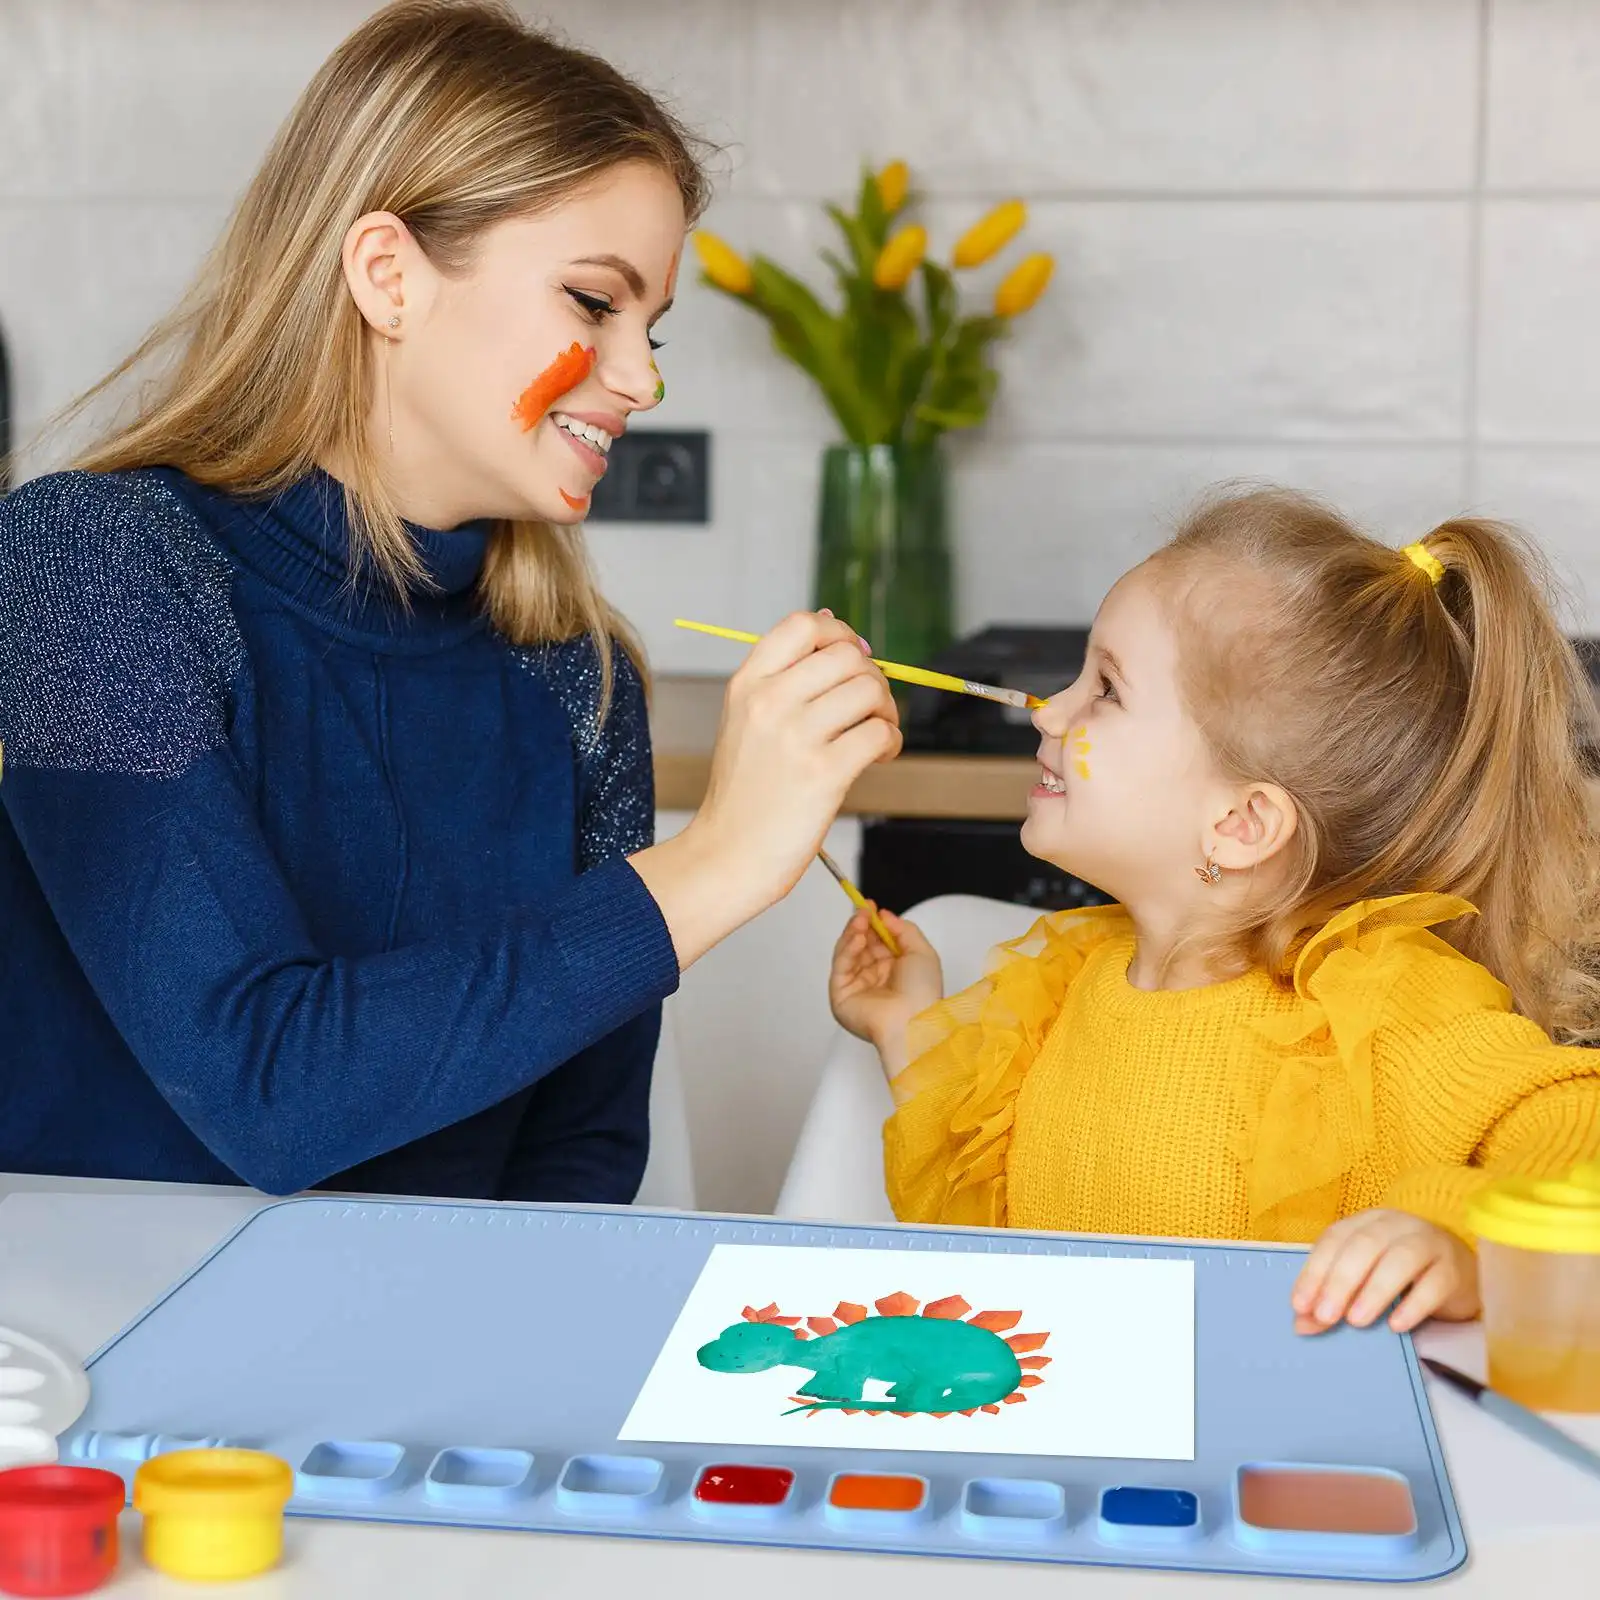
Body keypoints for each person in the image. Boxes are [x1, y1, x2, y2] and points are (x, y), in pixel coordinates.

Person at [0, 1, 899, 1201]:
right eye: (593, 303)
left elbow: (578, 1153)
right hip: (99, 1357)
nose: (639, 379)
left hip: (434, 1353)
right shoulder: (91, 564)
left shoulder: (573, 674)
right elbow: (267, 1089)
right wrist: (722, 859)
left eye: (651, 327)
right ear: (387, 275)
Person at [830, 485, 1600, 1334]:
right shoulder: (1059, 990)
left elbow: (1578, 1144)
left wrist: (1456, 1239)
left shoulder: (1384, 1012)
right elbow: (990, 1237)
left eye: (1107, 690)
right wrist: (908, 1029)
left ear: (1242, 825)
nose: (1049, 709)